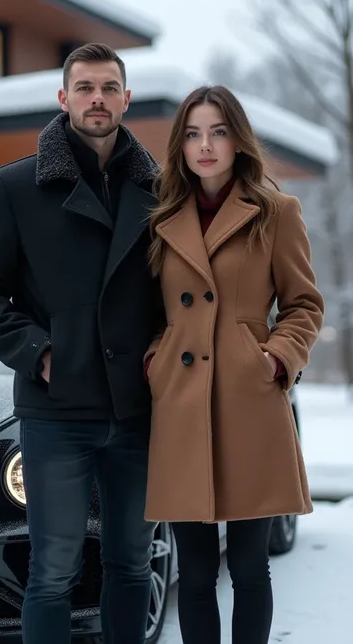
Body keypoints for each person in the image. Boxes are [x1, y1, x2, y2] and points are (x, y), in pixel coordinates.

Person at [0, 43, 163, 644]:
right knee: (52, 572)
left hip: (137, 408)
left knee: (131, 563)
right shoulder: (15, 187)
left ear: (125, 99)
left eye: (109, 88)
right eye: (85, 87)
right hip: (56, 411)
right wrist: (38, 351)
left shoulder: (160, 190)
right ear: (63, 97)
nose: (97, 99)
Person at [143, 85, 324, 644]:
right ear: (180, 146)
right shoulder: (161, 217)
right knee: (195, 573)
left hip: (249, 404)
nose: (206, 145)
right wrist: (157, 360)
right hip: (180, 406)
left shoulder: (276, 212)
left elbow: (304, 305)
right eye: (194, 133)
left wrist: (275, 358)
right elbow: (146, 309)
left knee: (248, 568)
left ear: (237, 140)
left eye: (218, 132)